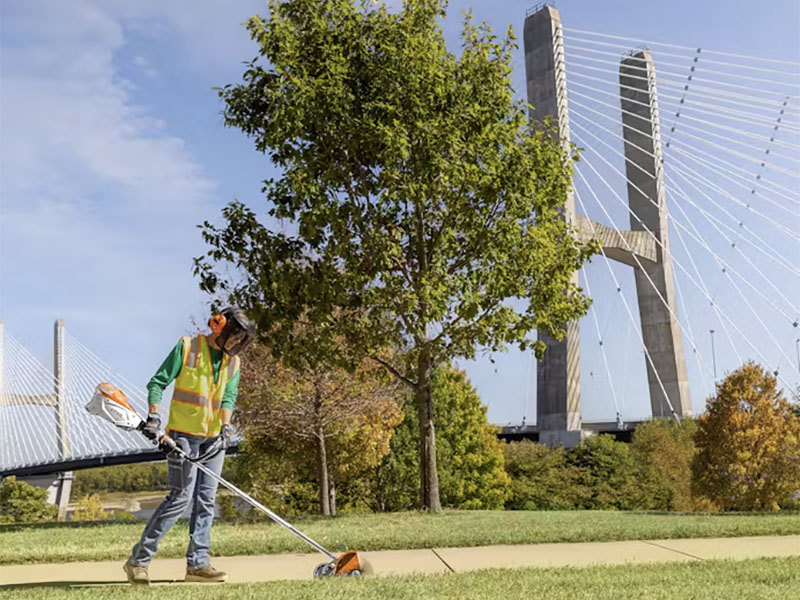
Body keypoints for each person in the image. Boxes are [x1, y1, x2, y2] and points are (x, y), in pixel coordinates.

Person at [123, 307, 256, 585]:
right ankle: (138, 561)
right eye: (235, 337)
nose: (236, 344)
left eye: (241, 340)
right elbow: (157, 382)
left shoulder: (234, 363)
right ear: (220, 326)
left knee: (206, 501)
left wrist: (227, 427)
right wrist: (154, 416)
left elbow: (228, 398)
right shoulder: (187, 347)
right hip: (183, 437)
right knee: (180, 498)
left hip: (214, 441)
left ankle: (198, 565)